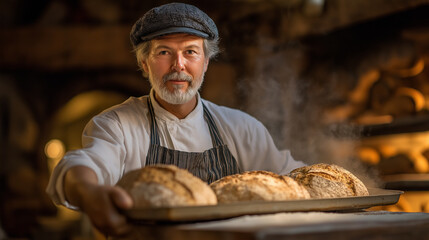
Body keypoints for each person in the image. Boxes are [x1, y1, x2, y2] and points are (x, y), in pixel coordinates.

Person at [46, 2, 306, 237]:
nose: (178, 65)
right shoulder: (117, 125)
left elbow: (293, 180)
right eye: (163, 52)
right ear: (145, 63)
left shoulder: (242, 128)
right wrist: (89, 193)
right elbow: (80, 166)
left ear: (205, 63)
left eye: (191, 52)